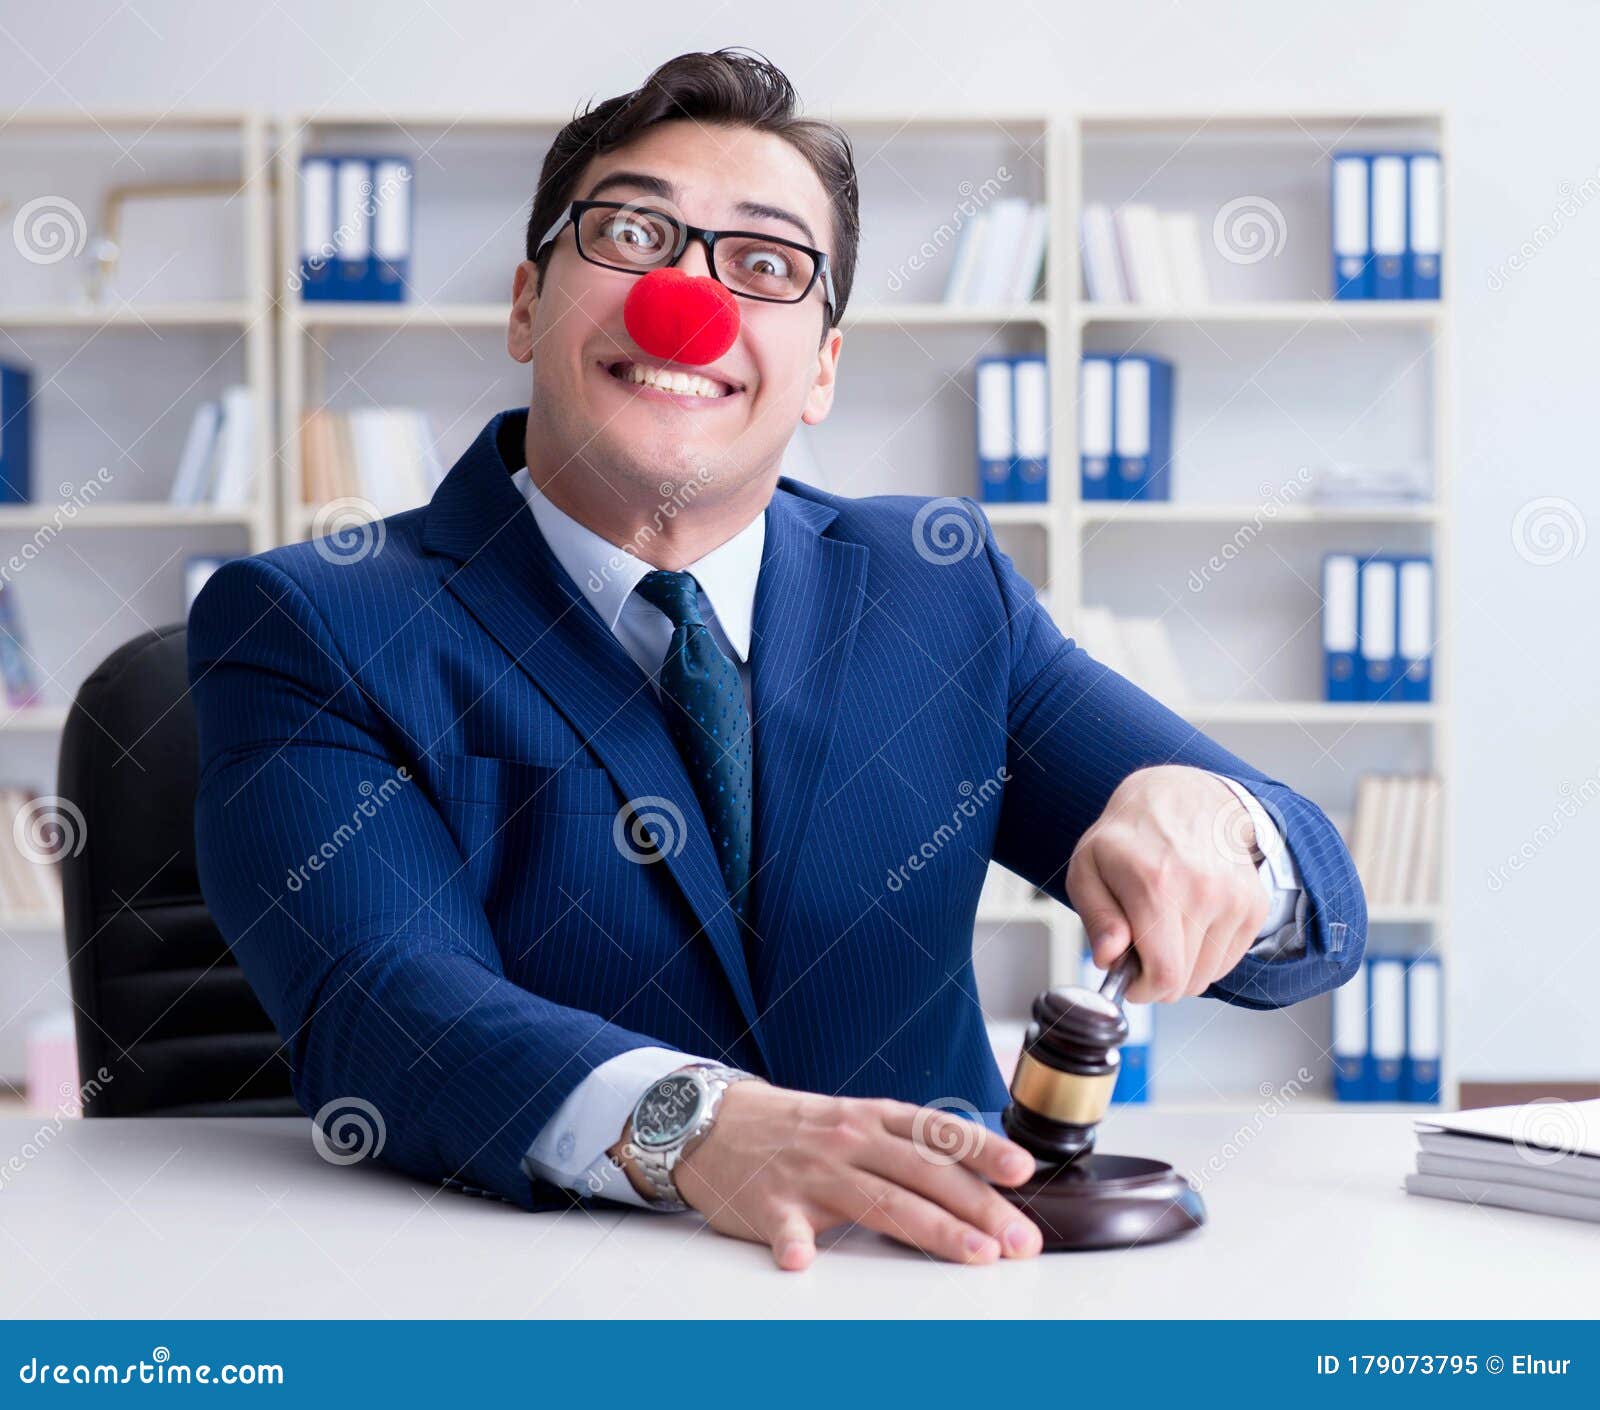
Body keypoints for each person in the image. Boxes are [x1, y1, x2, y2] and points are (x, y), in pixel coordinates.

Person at [189, 48, 1365, 1272]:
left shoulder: (936, 587)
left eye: (762, 264)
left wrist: (1224, 831)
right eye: (633, 235)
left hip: (946, 1292)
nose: (684, 301)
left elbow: (1318, 924)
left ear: (821, 369)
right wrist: (702, 1131)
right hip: (551, 1297)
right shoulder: (312, 621)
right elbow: (381, 1010)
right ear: (528, 305)